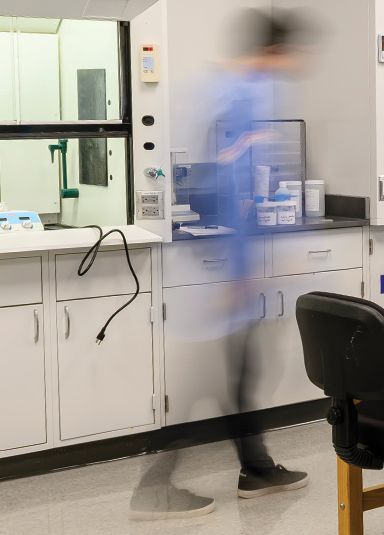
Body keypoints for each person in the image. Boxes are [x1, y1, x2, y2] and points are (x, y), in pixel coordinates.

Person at [131, 8, 311, 520]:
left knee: (235, 375)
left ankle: (255, 467)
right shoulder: (247, 93)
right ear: (275, 51)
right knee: (205, 384)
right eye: (292, 56)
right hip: (223, 268)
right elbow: (235, 187)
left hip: (223, 265)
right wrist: (240, 270)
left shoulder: (228, 86)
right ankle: (153, 490)